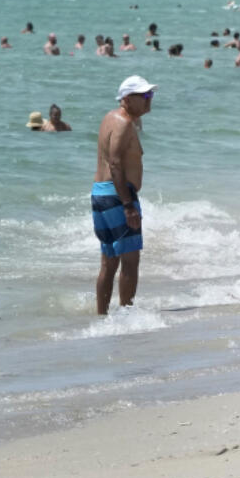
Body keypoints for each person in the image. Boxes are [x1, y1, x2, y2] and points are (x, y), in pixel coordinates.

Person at [92, 75, 155, 315]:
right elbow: (116, 163)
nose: (150, 101)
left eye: (151, 95)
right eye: (145, 96)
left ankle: (102, 317)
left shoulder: (112, 117)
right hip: (119, 196)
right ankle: (127, 317)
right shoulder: (123, 122)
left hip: (101, 194)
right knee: (130, 261)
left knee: (109, 262)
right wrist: (128, 205)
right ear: (127, 99)